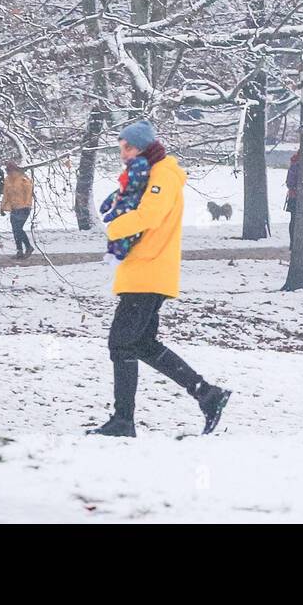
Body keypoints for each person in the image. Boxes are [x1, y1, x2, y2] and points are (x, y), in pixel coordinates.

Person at [87, 120, 231, 438]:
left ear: (143, 147)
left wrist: (114, 227)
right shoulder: (149, 173)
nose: (123, 153)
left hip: (149, 272)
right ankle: (207, 394)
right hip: (143, 271)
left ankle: (123, 421)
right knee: (142, 344)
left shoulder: (162, 173)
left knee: (121, 344)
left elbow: (150, 216)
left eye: (128, 147)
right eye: (120, 147)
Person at [98, 150, 151, 264]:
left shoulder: (137, 193)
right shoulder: (127, 188)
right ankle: (112, 252)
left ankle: (120, 256)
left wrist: (111, 214)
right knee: (115, 234)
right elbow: (116, 194)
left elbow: (126, 207)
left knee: (124, 237)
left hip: (128, 221)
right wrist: (106, 204)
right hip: (121, 221)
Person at [0, 161, 34, 259]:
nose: (9, 173)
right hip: (14, 208)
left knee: (18, 229)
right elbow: (6, 195)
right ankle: (19, 250)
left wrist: (27, 206)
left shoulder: (23, 179)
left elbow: (28, 193)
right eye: (8, 171)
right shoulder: (7, 180)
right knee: (15, 230)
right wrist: (2, 207)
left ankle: (28, 247)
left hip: (23, 208)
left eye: (10, 171)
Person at [284, 151, 300, 246]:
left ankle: (293, 242)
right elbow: (290, 183)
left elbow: (289, 182)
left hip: (293, 196)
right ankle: (293, 242)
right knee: (294, 220)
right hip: (296, 197)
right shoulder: (296, 163)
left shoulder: (294, 162)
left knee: (293, 220)